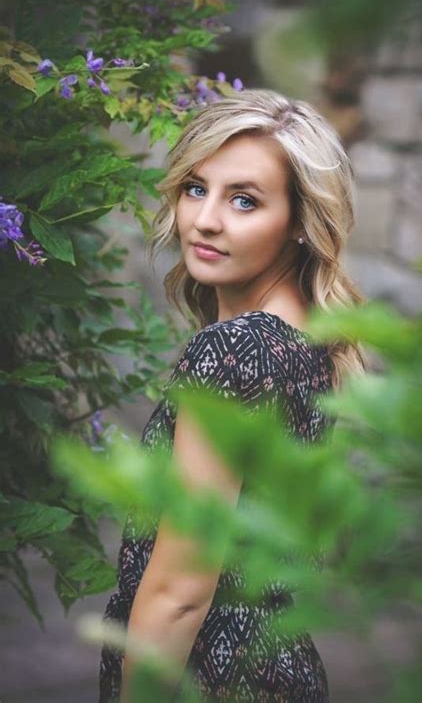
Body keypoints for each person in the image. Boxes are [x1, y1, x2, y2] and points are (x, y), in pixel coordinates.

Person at [98, 88, 366, 702]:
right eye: (197, 188)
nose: (205, 219)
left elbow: (179, 592)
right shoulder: (312, 339)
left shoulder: (234, 351)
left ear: (301, 222)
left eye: (243, 200)